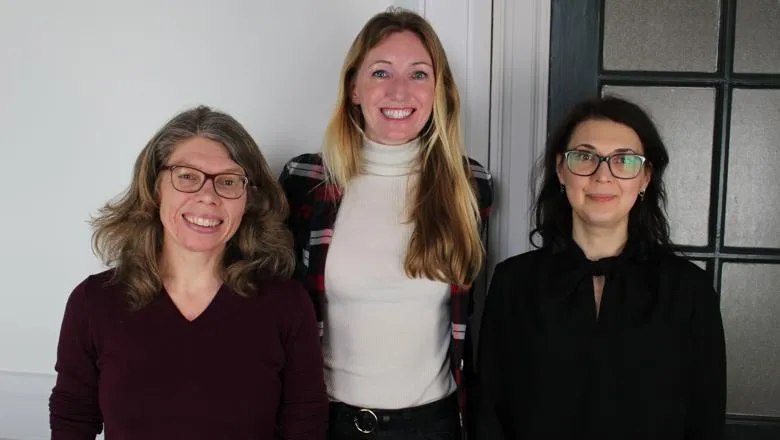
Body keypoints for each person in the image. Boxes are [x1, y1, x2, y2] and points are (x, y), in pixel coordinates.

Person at [48, 106, 328, 440]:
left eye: (228, 181)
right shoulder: (93, 303)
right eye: (187, 177)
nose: (207, 197)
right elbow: (72, 419)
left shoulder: (286, 305)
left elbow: (306, 423)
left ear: (248, 200)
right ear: (154, 188)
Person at [278, 8, 493, 440]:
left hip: (435, 425)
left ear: (439, 91)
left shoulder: (468, 185)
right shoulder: (306, 181)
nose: (399, 91)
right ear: (354, 87)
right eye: (380, 72)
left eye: (418, 74)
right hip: (329, 422)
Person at [472, 96, 726, 439]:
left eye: (624, 160)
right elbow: (489, 413)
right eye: (585, 157)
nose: (603, 176)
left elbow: (705, 419)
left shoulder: (689, 291)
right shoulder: (513, 282)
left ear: (645, 178)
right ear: (561, 170)